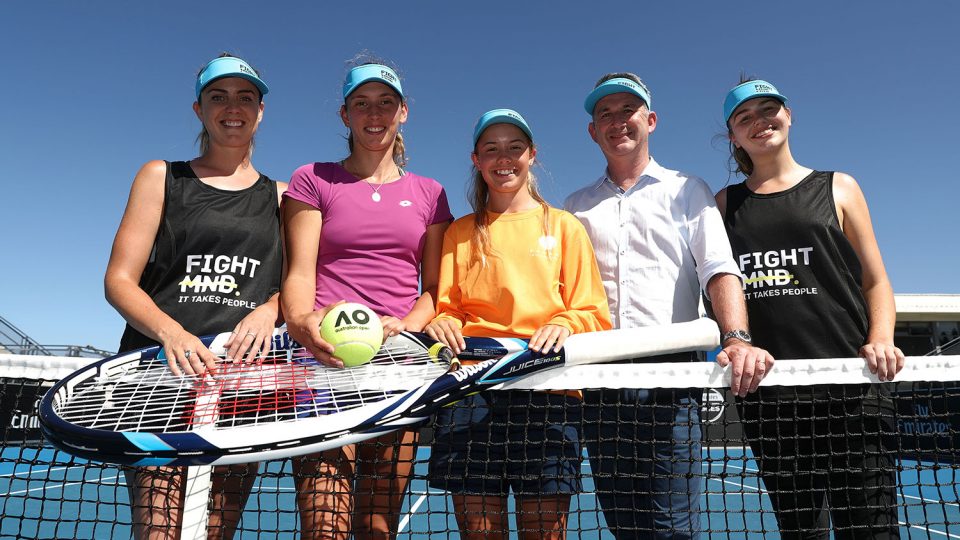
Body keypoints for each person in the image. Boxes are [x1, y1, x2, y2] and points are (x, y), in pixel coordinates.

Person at [564, 73, 774, 540]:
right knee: (625, 525)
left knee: (671, 529)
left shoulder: (688, 189)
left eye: (628, 110)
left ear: (651, 120)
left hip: (671, 382)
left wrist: (737, 338)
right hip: (599, 384)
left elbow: (719, 269)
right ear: (592, 131)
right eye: (605, 114)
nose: (617, 121)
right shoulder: (574, 208)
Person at [104, 54, 284, 540]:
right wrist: (171, 332)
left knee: (215, 530)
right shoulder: (160, 176)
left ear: (261, 111)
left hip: (241, 385)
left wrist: (271, 309)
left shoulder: (286, 196)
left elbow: (301, 286)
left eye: (246, 97)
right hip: (156, 378)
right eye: (218, 96)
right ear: (199, 108)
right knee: (159, 529)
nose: (233, 107)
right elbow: (119, 280)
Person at [717, 78, 904, 539]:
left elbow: (875, 281)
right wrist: (734, 343)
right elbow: (719, 291)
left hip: (855, 393)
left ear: (789, 115)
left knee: (871, 532)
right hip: (772, 401)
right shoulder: (723, 205)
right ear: (733, 137)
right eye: (744, 118)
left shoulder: (839, 187)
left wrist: (881, 339)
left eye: (768, 110)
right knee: (802, 534)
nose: (759, 122)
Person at [281, 60, 452, 539]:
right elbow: (299, 272)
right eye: (361, 104)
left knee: (377, 529)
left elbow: (433, 290)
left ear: (403, 113)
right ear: (345, 115)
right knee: (325, 526)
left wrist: (407, 325)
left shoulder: (430, 193)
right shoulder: (312, 179)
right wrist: (300, 320)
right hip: (324, 366)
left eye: (385, 103)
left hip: (400, 369)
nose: (373, 114)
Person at [425, 109, 612, 540]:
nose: (503, 157)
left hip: (549, 391)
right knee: (480, 533)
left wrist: (565, 322)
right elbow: (447, 307)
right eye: (491, 148)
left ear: (532, 155)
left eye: (514, 147)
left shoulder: (564, 227)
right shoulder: (459, 232)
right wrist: (444, 323)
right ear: (476, 159)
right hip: (472, 391)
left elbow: (592, 312)